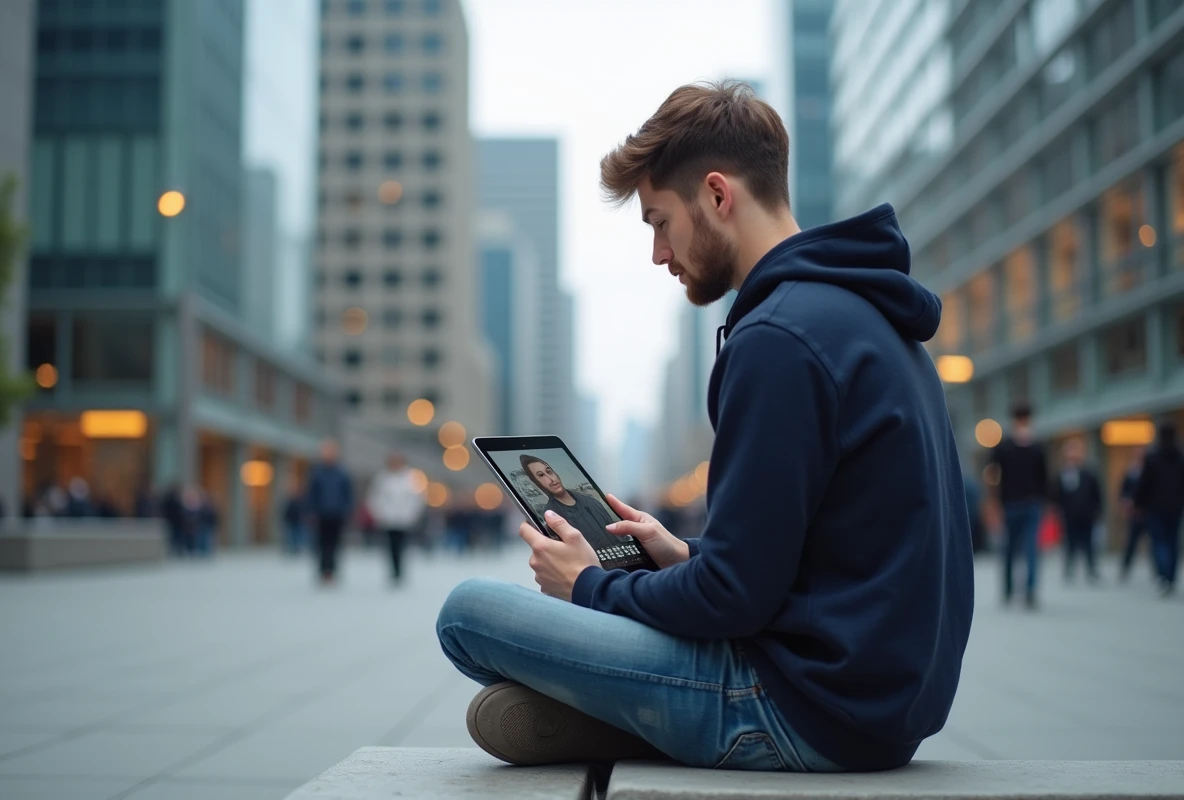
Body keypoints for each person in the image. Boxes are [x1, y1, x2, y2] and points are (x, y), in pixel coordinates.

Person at [435, 81, 973, 772]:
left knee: (468, 612)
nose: (659, 254)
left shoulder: (779, 338)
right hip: (881, 706)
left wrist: (586, 586)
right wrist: (682, 554)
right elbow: (806, 563)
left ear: (718, 195)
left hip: (799, 707)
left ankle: (643, 721)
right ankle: (637, 717)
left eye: (659, 221)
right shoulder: (863, 316)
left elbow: (733, 601)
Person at [990, 403, 1048, 609]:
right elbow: (994, 476)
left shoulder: (1034, 447)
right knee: (1012, 548)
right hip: (1014, 504)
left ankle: (1027, 590)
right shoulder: (1006, 447)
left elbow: (1044, 478)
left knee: (1028, 547)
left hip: (1027, 503)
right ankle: (1013, 589)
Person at [519, 456, 631, 553]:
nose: (551, 479)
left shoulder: (591, 501)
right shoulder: (551, 516)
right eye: (541, 475)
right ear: (535, 482)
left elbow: (616, 532)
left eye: (549, 471)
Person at [1134, 422, 1184, 597]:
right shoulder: (1180, 456)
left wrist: (1138, 503)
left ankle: (1162, 575)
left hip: (1155, 508)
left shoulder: (1153, 457)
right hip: (1175, 507)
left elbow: (1144, 484)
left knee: (1159, 542)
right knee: (1172, 542)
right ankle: (1170, 578)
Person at [366, 453, 426, 586]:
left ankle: (400, 570)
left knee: (402, 546)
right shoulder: (382, 478)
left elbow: (417, 499)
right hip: (388, 519)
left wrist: (412, 514)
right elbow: (375, 498)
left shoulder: (411, 478)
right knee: (391, 546)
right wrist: (379, 514)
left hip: (405, 519)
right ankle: (394, 570)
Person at [1051, 439, 1102, 584]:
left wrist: (1097, 510)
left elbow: (1096, 493)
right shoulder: (1062, 474)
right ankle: (1069, 568)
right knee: (1069, 543)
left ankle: (1091, 569)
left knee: (1089, 544)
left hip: (1087, 514)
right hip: (1068, 515)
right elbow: (1055, 494)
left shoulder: (1089, 473)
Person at [306, 439, 354, 584]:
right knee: (321, 543)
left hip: (337, 514)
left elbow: (348, 494)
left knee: (334, 544)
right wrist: (311, 510)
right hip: (321, 513)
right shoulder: (317, 472)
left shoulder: (342, 473)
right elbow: (312, 494)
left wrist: (347, 510)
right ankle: (323, 570)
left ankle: (331, 570)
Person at [1119, 448, 1147, 582]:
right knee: (1131, 542)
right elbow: (1124, 490)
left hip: (1148, 512)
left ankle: (1161, 572)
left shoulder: (1150, 469)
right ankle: (1125, 568)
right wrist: (1126, 502)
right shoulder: (1132, 471)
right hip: (1135, 513)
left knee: (1155, 542)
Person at [282, 484, 309, 555]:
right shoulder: (292, 503)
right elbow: (287, 512)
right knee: (293, 536)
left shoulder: (301, 503)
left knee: (299, 535)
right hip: (292, 522)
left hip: (299, 522)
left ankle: (298, 548)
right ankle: (294, 548)